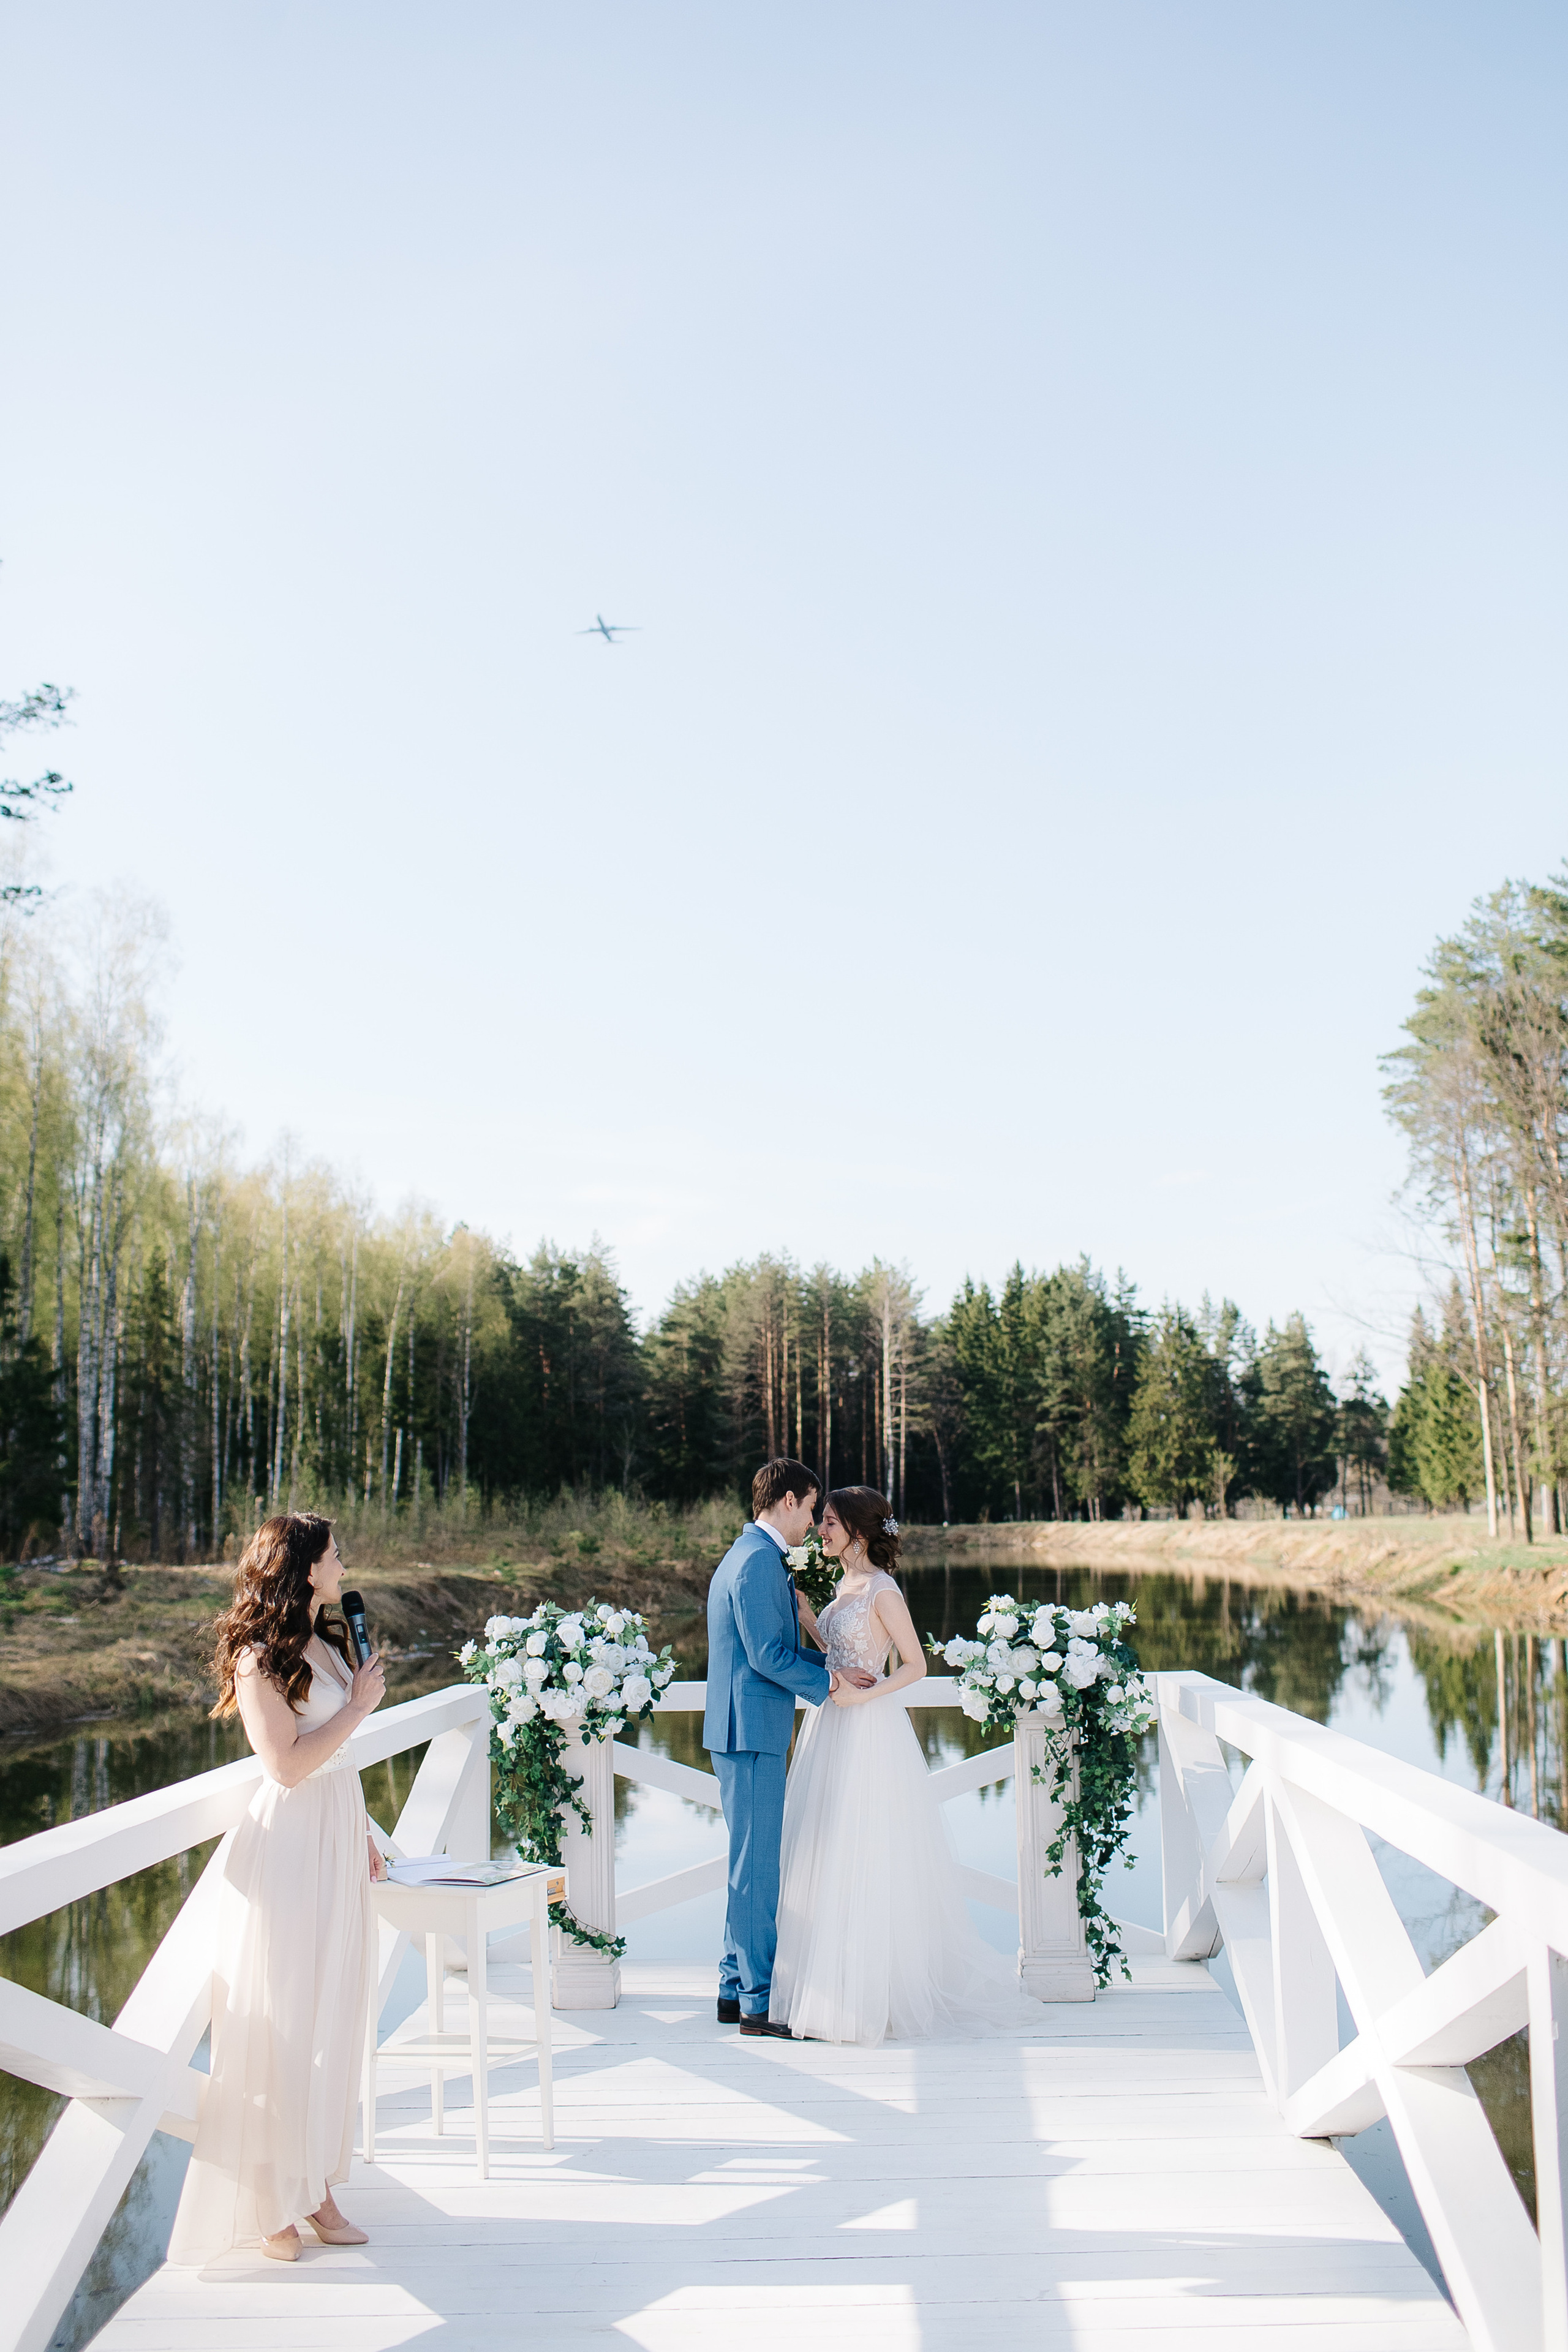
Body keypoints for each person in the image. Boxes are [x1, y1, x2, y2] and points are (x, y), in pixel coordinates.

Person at [168, 1512, 386, 2266]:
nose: (343, 1562)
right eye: (334, 1553)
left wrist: (362, 1833)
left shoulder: (326, 1643)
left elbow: (335, 1766)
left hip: (334, 1836)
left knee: (334, 2020)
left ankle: (318, 2184)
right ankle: (270, 2202)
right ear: (302, 1569)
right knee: (285, 2022)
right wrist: (358, 1707)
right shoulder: (260, 1658)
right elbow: (286, 1767)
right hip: (291, 1847)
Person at [770, 1485, 1042, 2046]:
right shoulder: (845, 1586)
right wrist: (807, 1619)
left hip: (867, 1729)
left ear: (859, 1532)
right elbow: (843, 1658)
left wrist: (861, 1698)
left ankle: (871, 1994)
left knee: (866, 1850)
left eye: (829, 1522)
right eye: (820, 1521)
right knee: (827, 1846)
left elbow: (915, 1666)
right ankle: (828, 1987)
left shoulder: (882, 1589)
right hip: (833, 1724)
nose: (821, 1530)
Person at [703, 1459, 876, 2035]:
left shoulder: (750, 1555)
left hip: (746, 1730)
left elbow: (774, 1649)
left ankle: (733, 1988)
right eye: (809, 1508)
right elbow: (766, 1658)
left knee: (746, 1867)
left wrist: (831, 1664)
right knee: (756, 1874)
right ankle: (757, 2001)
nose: (811, 1523)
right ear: (786, 1500)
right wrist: (831, 1683)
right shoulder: (756, 1562)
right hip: (749, 1735)